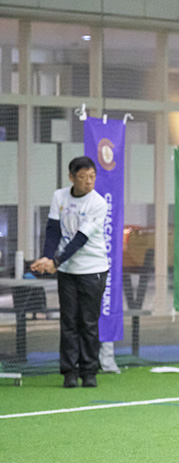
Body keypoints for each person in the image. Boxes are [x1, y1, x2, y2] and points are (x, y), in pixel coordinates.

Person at [31, 156, 108, 388]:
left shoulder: (98, 203)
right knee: (68, 321)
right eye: (83, 177)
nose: (88, 182)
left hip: (93, 269)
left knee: (88, 322)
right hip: (66, 270)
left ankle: (89, 371)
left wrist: (54, 262)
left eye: (92, 177)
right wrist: (47, 257)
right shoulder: (59, 196)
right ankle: (69, 372)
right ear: (71, 178)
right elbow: (53, 229)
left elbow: (80, 239)